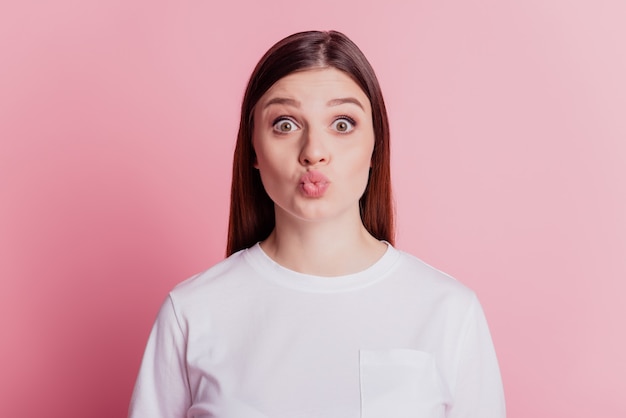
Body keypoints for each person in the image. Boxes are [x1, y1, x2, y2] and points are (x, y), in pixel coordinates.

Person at [128, 30, 506, 418]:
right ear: (253, 148)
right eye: (285, 124)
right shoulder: (192, 311)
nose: (313, 152)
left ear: (376, 145)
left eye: (342, 124)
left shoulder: (448, 311)